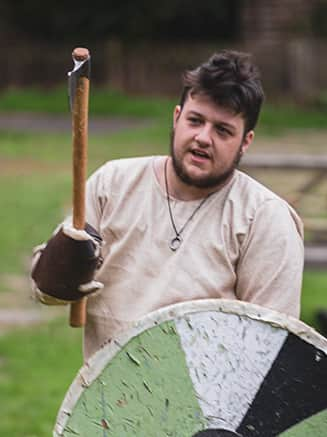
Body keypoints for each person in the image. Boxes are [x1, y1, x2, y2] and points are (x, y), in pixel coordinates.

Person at [31, 50, 304, 360]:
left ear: (246, 141)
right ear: (177, 118)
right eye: (195, 120)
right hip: (109, 400)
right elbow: (46, 293)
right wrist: (60, 272)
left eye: (223, 130)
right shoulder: (114, 184)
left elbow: (270, 350)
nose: (203, 138)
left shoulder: (265, 219)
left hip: (211, 405)